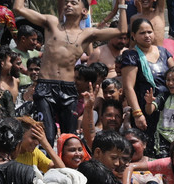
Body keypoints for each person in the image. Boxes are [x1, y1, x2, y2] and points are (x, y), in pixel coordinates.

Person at [11, 0, 125, 143]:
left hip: (68, 89)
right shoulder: (51, 23)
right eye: (67, 3)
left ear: (84, 11)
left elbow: (121, 30)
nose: (68, 5)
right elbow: (18, 8)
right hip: (46, 86)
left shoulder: (87, 34)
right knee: (48, 135)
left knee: (70, 137)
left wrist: (121, 5)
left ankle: (67, 165)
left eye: (74, 2)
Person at [119, 16, 174, 139]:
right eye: (142, 33)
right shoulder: (131, 56)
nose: (147, 35)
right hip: (145, 110)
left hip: (168, 109)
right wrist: (138, 114)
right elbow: (128, 87)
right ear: (133, 35)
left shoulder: (164, 52)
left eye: (149, 32)